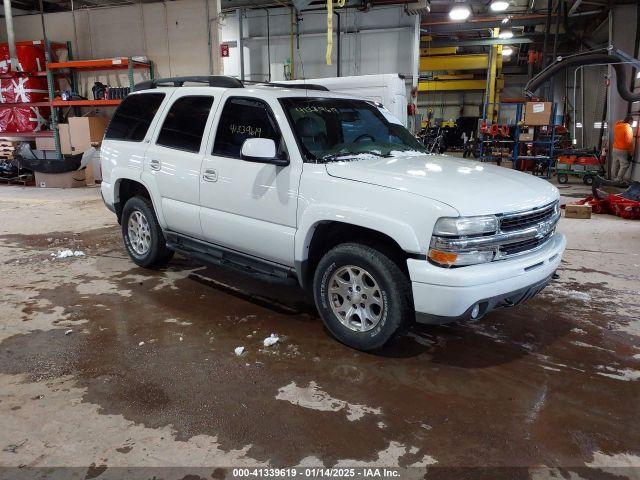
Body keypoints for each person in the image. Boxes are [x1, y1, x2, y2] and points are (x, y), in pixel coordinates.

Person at [611, 115, 635, 182]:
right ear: (630, 121)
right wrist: (631, 151)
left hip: (615, 148)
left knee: (615, 163)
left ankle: (613, 178)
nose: (632, 124)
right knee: (625, 165)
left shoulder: (617, 126)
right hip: (623, 149)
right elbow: (628, 141)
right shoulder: (628, 128)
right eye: (632, 122)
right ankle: (618, 179)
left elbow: (618, 122)